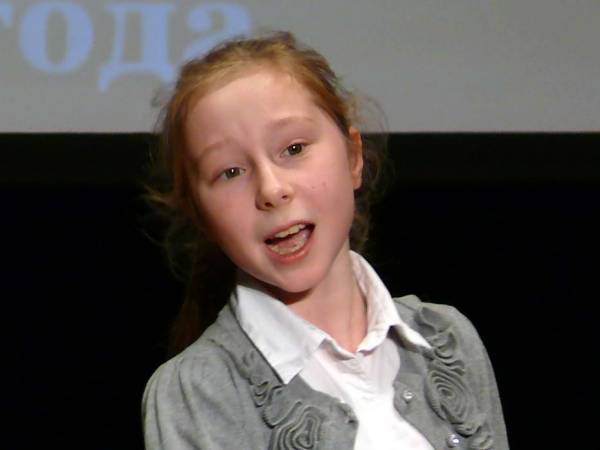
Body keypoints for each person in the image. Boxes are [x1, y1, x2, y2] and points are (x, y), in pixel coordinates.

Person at [142, 31, 508, 450]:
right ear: (200, 214)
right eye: (230, 172)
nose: (271, 189)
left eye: (294, 148)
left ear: (353, 157)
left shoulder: (447, 338)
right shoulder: (196, 392)